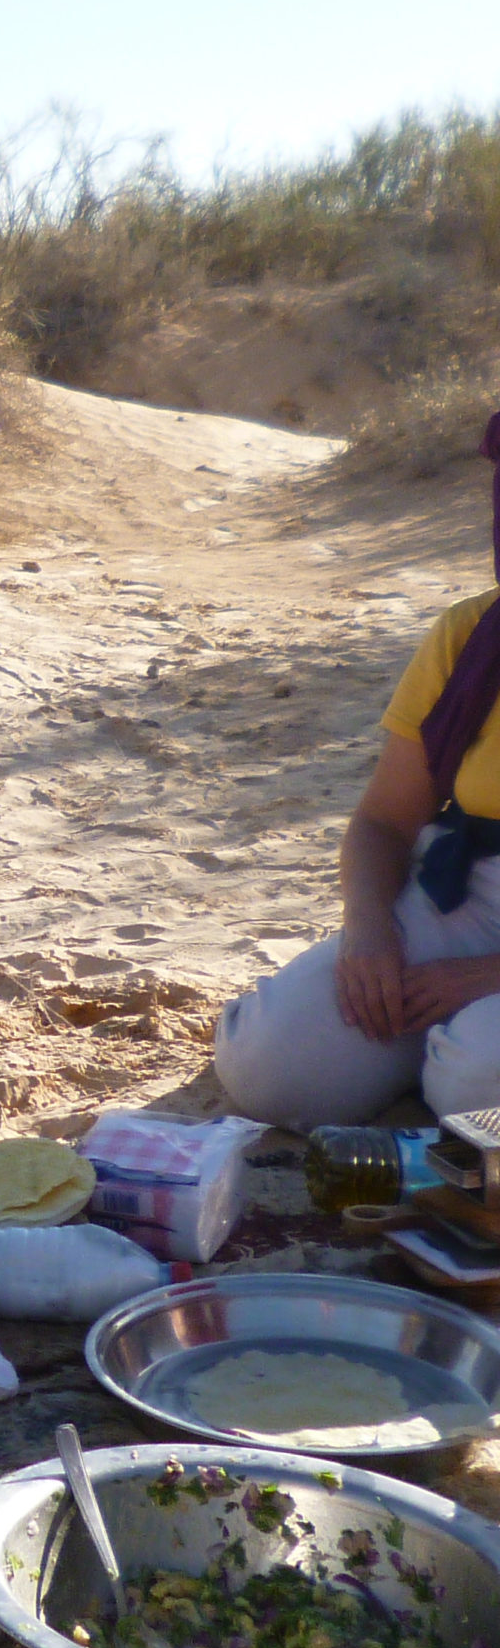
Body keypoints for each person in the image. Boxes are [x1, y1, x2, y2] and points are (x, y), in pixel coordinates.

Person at [215, 413, 500, 1129]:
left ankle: (449, 1052)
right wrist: (370, 927)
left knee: (477, 1085)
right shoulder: (473, 636)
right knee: (271, 1069)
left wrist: (488, 981)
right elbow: (383, 820)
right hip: (463, 895)